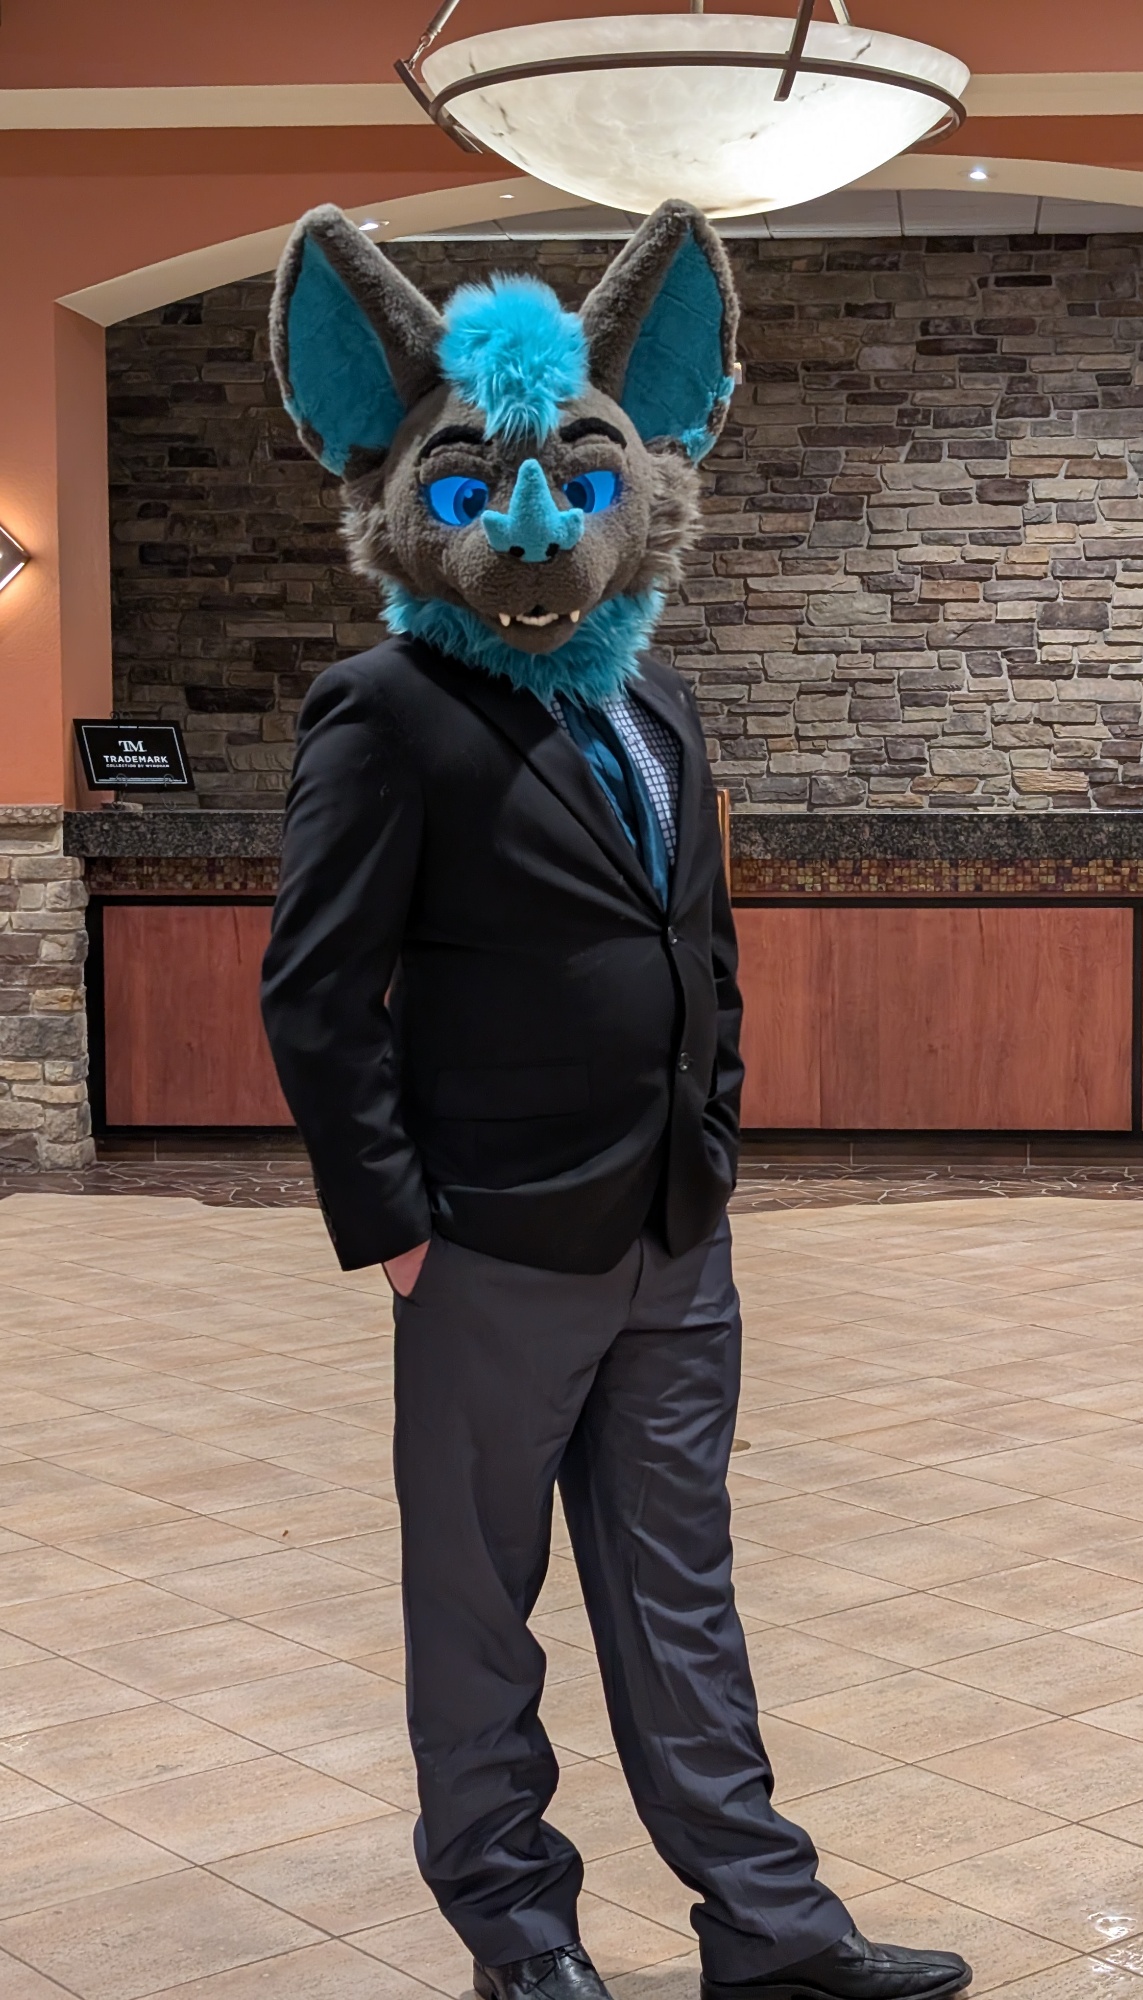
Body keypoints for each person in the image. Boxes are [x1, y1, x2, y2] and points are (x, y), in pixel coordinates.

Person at [261, 198, 971, 2000]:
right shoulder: (385, 707)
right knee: (476, 1613)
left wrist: (710, 1140)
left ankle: (769, 1928)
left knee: (683, 1598)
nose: (531, 528)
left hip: (671, 1232)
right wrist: (396, 1227)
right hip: (487, 1246)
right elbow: (316, 992)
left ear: (644, 477)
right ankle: (516, 1932)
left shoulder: (660, 705)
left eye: (579, 486)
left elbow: (696, 942)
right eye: (476, 489)